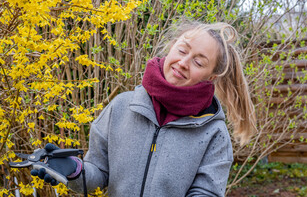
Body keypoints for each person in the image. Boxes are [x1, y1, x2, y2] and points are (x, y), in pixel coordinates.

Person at [31, 21, 257, 196]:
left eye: (198, 62)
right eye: (182, 50)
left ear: (212, 76)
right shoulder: (122, 106)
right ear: (171, 48)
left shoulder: (213, 134)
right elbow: (98, 174)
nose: (183, 62)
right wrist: (74, 170)